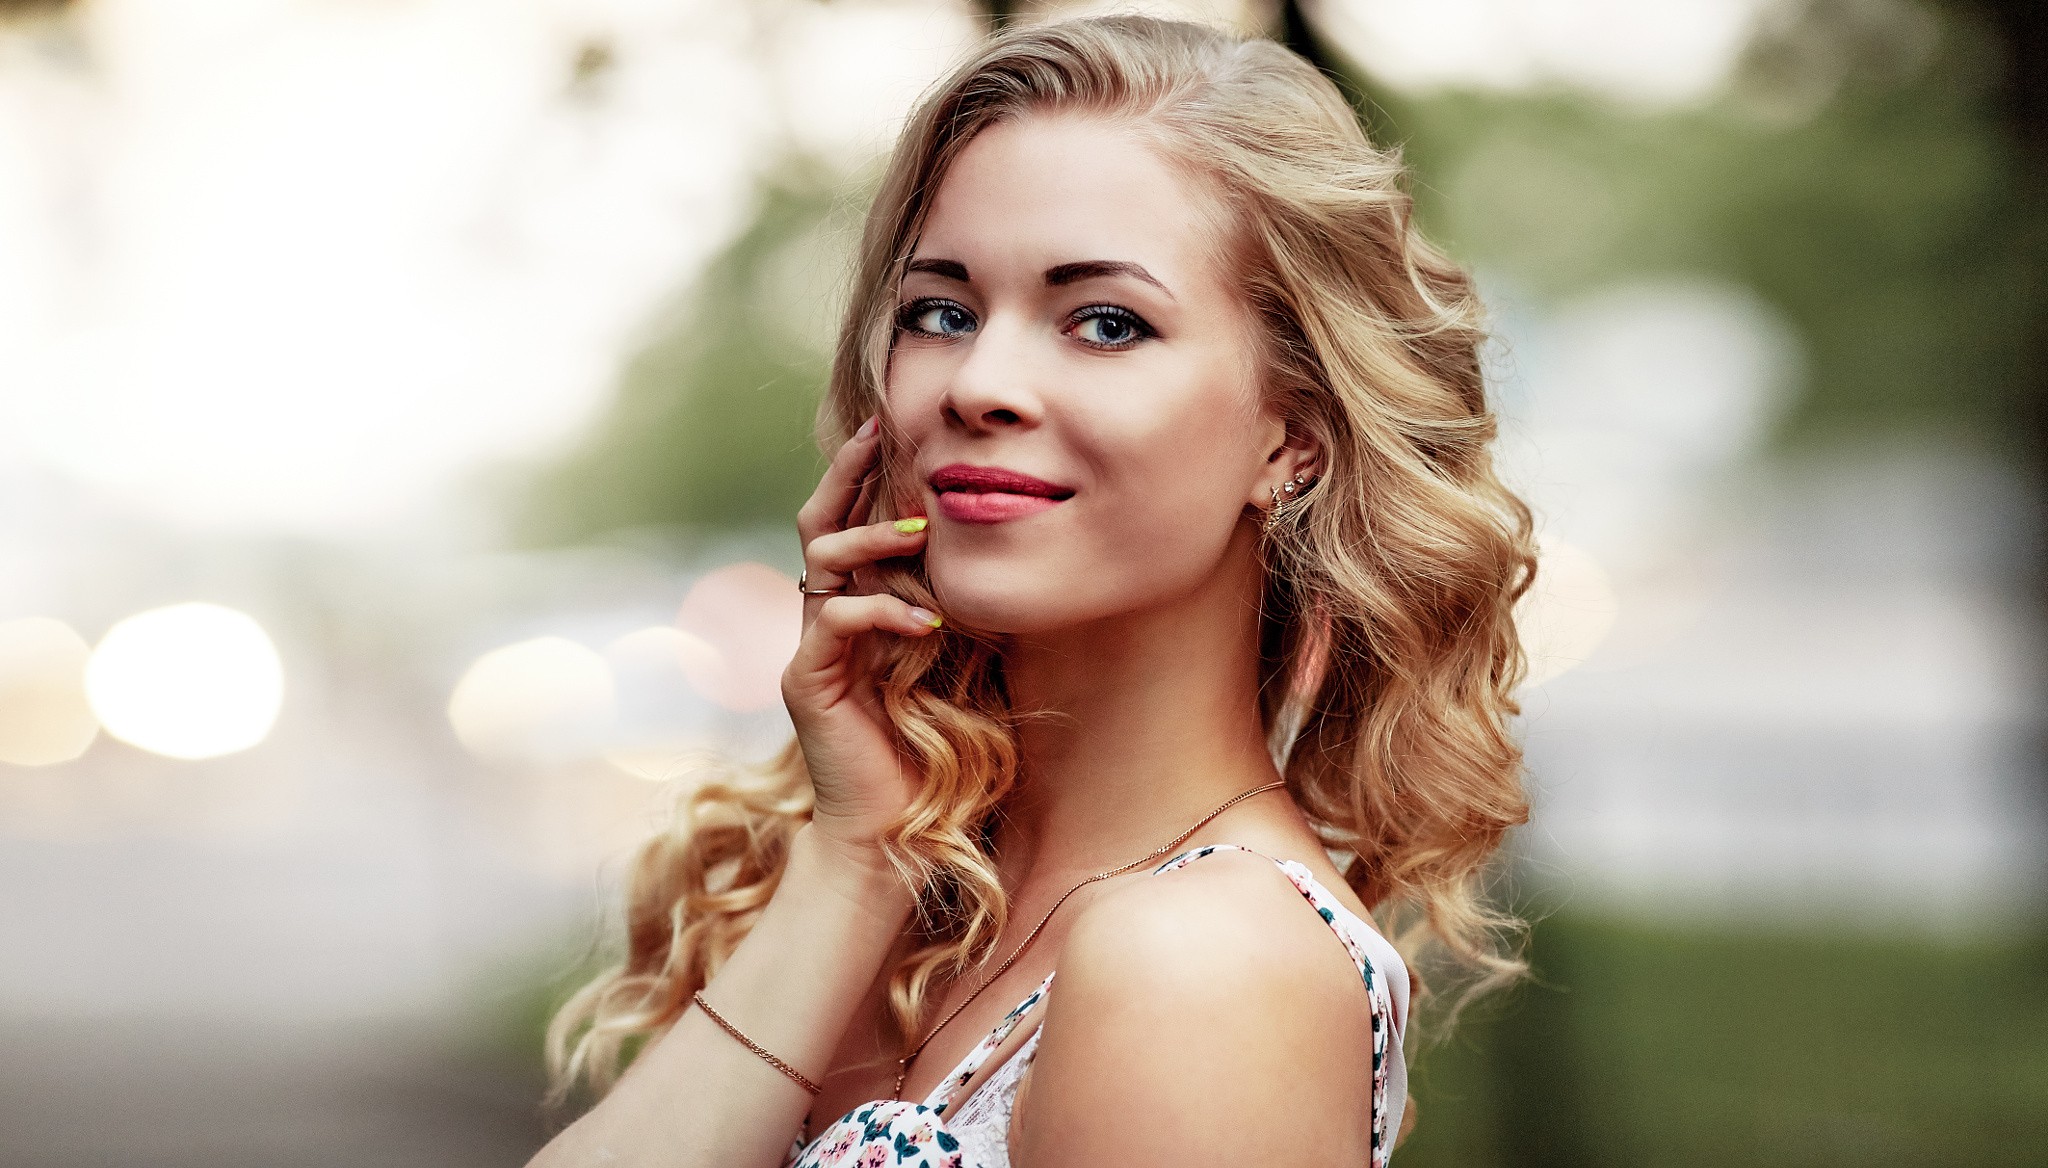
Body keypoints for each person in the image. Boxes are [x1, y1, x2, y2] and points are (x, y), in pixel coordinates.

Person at [528, 14, 1533, 1168]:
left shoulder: (1205, 963)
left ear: (1290, 436)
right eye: (940, 313)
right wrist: (855, 853)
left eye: (1104, 323)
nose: (981, 383)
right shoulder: (895, 885)